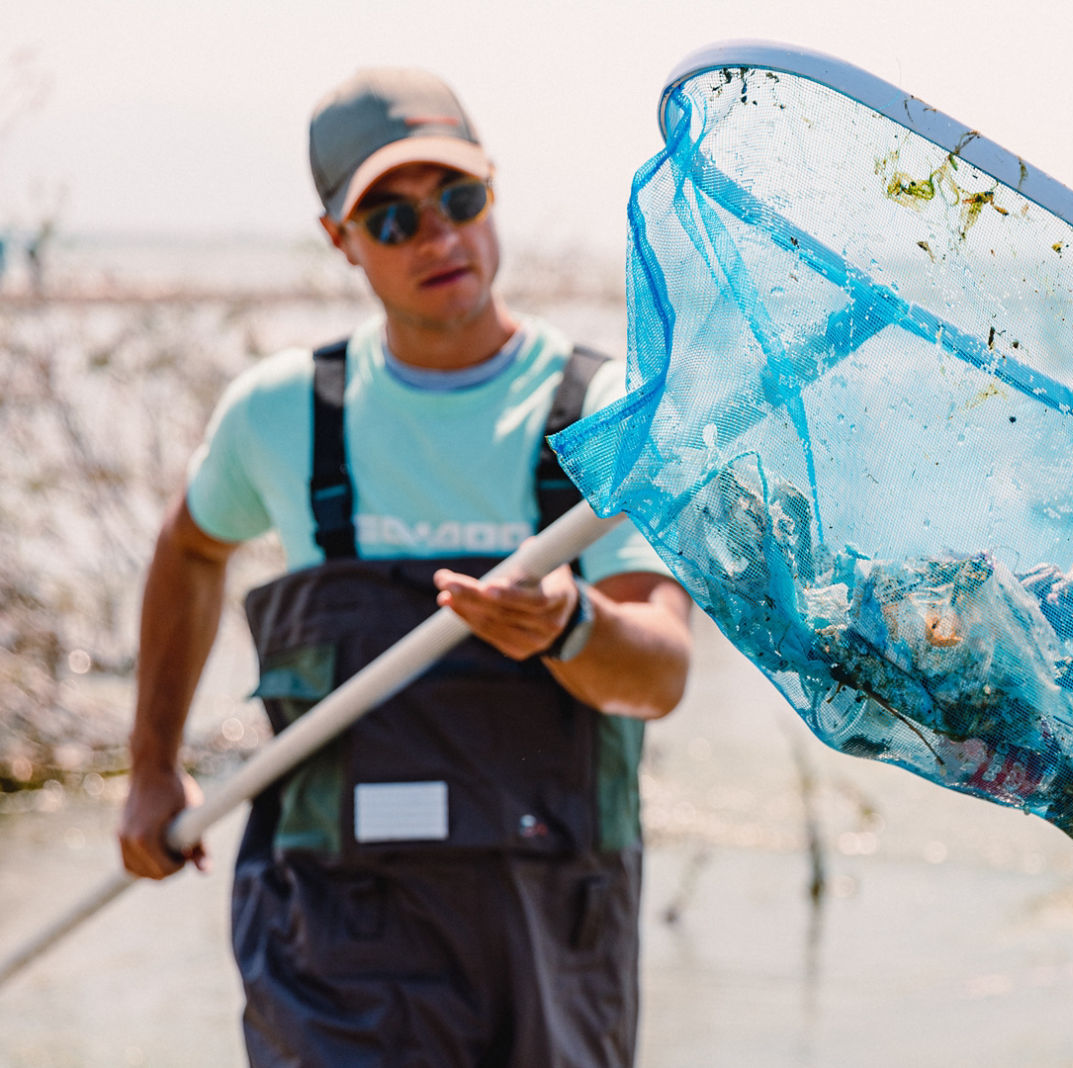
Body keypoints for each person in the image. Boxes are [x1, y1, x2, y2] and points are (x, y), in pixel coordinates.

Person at [116, 67, 692, 1067]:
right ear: (340, 241)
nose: (439, 238)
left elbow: (661, 673)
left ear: (493, 193)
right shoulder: (279, 414)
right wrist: (151, 766)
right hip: (331, 936)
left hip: (553, 928)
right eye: (391, 219)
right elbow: (189, 550)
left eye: (458, 200)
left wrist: (572, 629)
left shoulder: (603, 418)